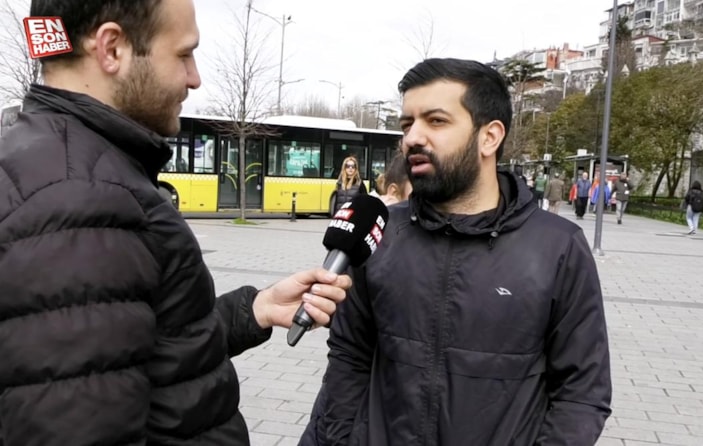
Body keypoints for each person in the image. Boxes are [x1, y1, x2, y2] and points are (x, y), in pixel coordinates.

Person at [0, 1, 352, 445]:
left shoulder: (60, 164)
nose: (194, 77)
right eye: (184, 54)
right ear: (112, 48)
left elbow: (129, 352)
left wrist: (254, 310)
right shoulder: (83, 201)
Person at [301, 58, 611, 445]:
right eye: (407, 124)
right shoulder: (380, 233)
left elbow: (582, 393)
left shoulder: (558, 247)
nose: (412, 138)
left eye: (436, 121)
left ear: (489, 137)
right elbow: (348, 359)